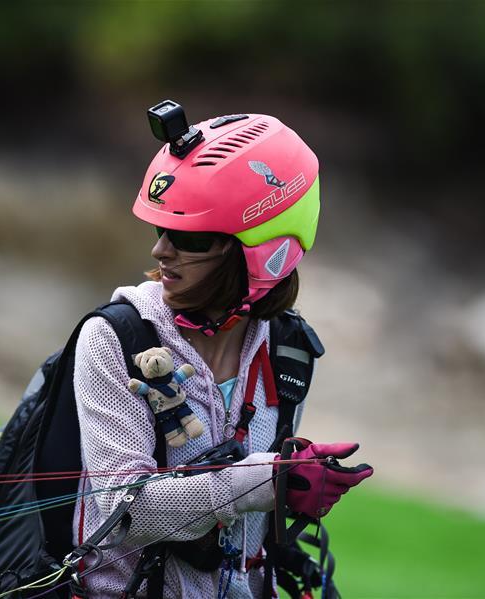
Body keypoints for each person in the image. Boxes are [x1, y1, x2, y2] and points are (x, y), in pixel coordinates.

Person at [71, 107, 372, 598]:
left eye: (189, 237)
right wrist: (266, 482)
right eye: (160, 231)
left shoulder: (287, 348)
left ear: (261, 249)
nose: (161, 251)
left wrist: (292, 490)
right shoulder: (115, 338)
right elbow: (124, 512)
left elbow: (250, 514)